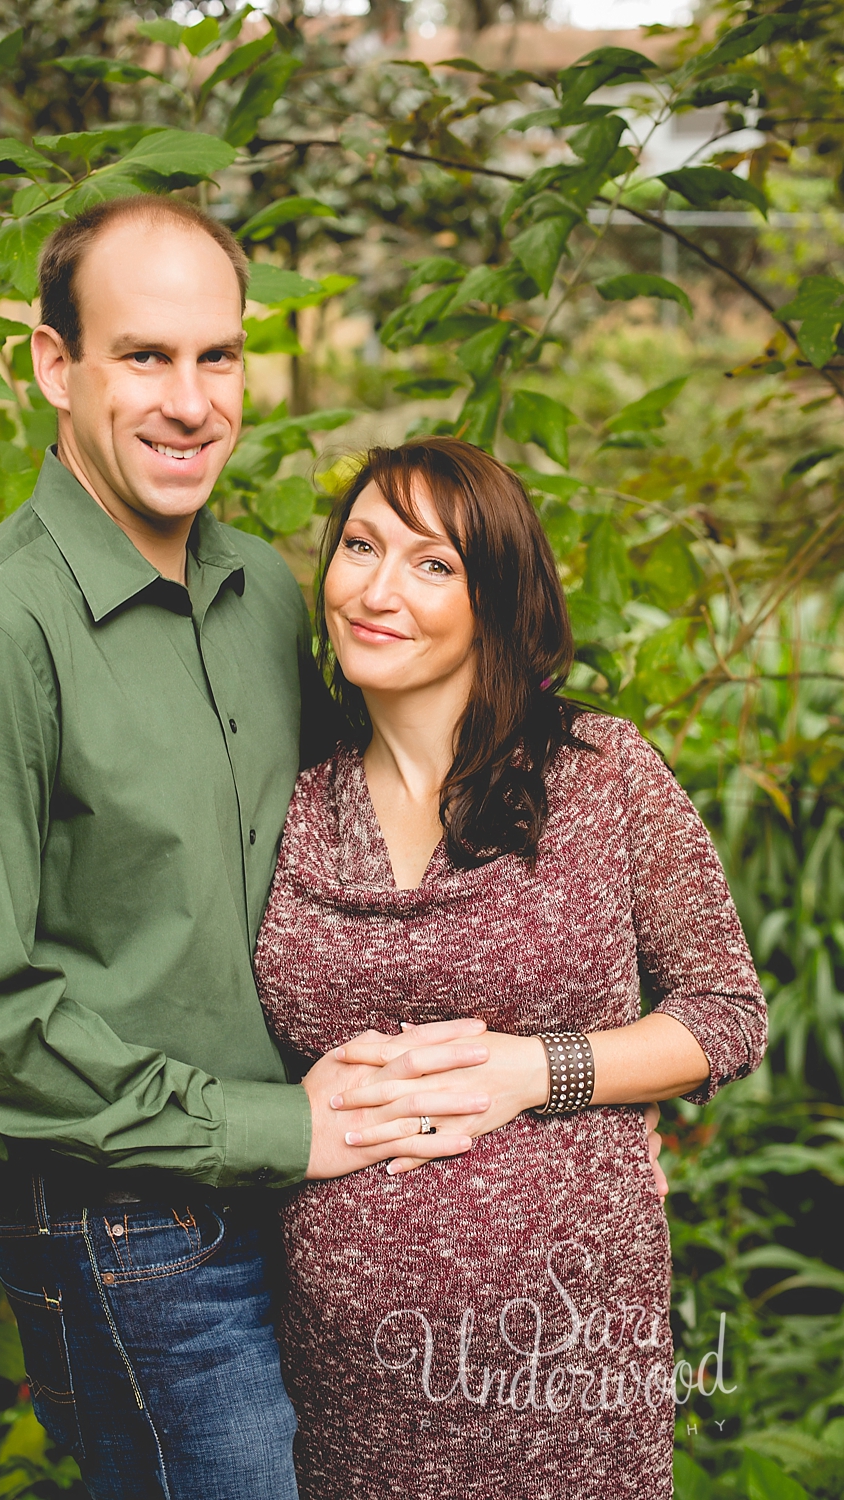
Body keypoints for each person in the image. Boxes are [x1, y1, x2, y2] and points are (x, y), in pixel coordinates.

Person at [0, 199, 502, 1500]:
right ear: (54, 364)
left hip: (311, 1193)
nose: (190, 399)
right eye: (144, 356)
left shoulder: (271, 592)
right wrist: (275, 1125)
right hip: (132, 1222)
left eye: (216, 357)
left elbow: (376, 843)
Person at [253, 437, 767, 1500]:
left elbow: (725, 1014)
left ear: (497, 598)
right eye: (358, 546)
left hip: (566, 1367)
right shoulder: (288, 800)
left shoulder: (598, 772)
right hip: (342, 1386)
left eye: (431, 563)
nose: (377, 589)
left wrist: (535, 1071)